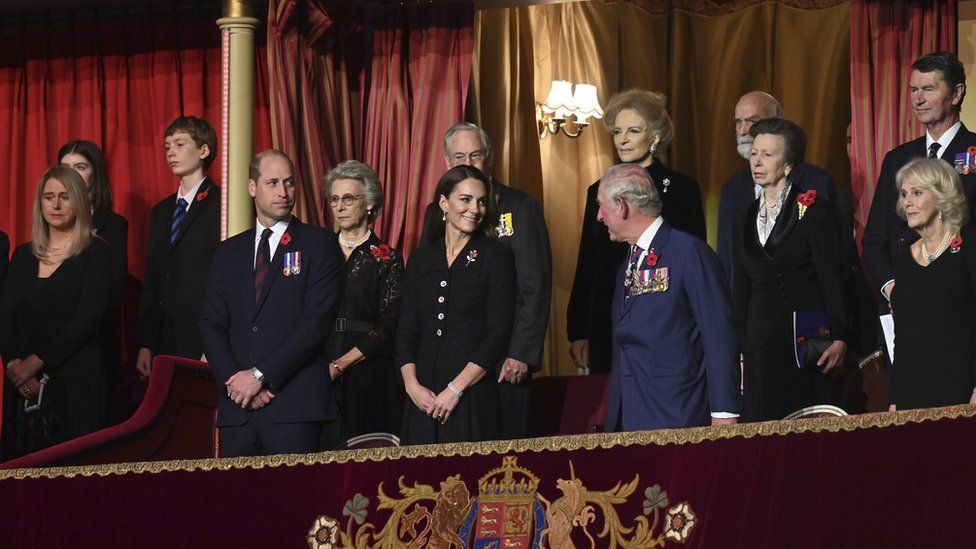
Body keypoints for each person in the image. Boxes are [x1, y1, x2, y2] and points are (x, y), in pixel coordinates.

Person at [199, 150, 343, 457]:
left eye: (289, 183)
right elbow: (211, 324)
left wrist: (259, 376)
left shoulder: (320, 244)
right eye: (273, 182)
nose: (283, 192)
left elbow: (316, 323)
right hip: (238, 410)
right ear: (252, 187)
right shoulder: (228, 252)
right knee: (237, 502)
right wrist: (236, 382)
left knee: (297, 503)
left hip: (295, 409)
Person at [420, 123, 550, 440]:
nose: (468, 163)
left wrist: (522, 352)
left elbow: (534, 285)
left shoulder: (520, 207)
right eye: (459, 156)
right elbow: (429, 284)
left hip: (504, 360)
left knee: (504, 459)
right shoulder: (436, 212)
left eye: (475, 155)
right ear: (447, 161)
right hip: (453, 360)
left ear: (488, 158)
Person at [567, 89, 705, 375]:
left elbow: (694, 262)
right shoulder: (599, 189)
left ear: (654, 136)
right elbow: (588, 262)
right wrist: (578, 329)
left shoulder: (681, 189)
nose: (623, 139)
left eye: (633, 130)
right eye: (617, 131)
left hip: (663, 316)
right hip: (607, 316)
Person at [596, 163, 738, 430]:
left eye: (601, 206)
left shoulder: (689, 253)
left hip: (677, 413)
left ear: (621, 206)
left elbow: (719, 335)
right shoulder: (628, 260)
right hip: (628, 415)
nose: (599, 217)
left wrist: (724, 411)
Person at [732, 118, 849, 421]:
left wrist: (840, 335)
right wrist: (741, 348)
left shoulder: (814, 209)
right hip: (759, 341)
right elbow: (741, 286)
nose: (757, 161)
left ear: (788, 163)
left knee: (803, 430)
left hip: (803, 338)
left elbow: (831, 277)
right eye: (754, 153)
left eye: (768, 155)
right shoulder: (743, 215)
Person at [398, 165, 515, 444]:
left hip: (472, 395)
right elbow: (406, 330)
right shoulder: (421, 259)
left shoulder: (495, 257)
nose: (475, 209)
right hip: (423, 397)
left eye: (482, 201)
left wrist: (456, 389)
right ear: (443, 203)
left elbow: (498, 333)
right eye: (465, 199)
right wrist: (412, 386)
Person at [0, 166, 111, 457]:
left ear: (79, 201)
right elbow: (6, 313)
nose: (56, 205)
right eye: (49, 197)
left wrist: (33, 364)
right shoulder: (22, 255)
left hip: (75, 380)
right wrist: (14, 365)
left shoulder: (96, 253)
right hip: (21, 384)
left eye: (64, 197)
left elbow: (86, 320)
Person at [864, 52, 976, 314]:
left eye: (928, 89)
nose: (918, 99)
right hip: (900, 308)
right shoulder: (897, 158)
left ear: (956, 94)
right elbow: (875, 239)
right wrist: (892, 289)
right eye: (914, 89)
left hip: (958, 307)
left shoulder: (973, 151)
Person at [323, 160, 404, 442]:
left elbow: (388, 326)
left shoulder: (387, 258)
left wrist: (341, 364)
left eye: (348, 198)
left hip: (369, 372)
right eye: (334, 199)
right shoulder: (319, 252)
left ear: (369, 204)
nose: (340, 206)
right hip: (320, 368)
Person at [717, 91, 837, 280]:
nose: (742, 131)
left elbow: (832, 259)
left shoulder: (816, 182)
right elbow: (728, 261)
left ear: (777, 123)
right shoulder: (732, 189)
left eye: (752, 121)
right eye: (738, 122)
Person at [136, 116, 221, 377]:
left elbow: (226, 280)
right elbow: (153, 278)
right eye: (167, 146)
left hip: (203, 335)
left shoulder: (222, 204)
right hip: (165, 336)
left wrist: (216, 343)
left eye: (180, 144)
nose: (171, 152)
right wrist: (146, 343)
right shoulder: (161, 211)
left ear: (203, 150)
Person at [888, 158, 976, 410]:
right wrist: (895, 397)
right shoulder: (905, 255)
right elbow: (902, 336)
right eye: (904, 194)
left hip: (961, 390)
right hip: (911, 395)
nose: (907, 202)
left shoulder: (969, 245)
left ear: (941, 196)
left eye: (917, 193)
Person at [58, 140, 129, 410]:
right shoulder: (50, 222)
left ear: (94, 173)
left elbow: (112, 293)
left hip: (94, 347)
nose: (72, 173)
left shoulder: (113, 225)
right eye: (65, 167)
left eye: (80, 167)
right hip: (51, 350)